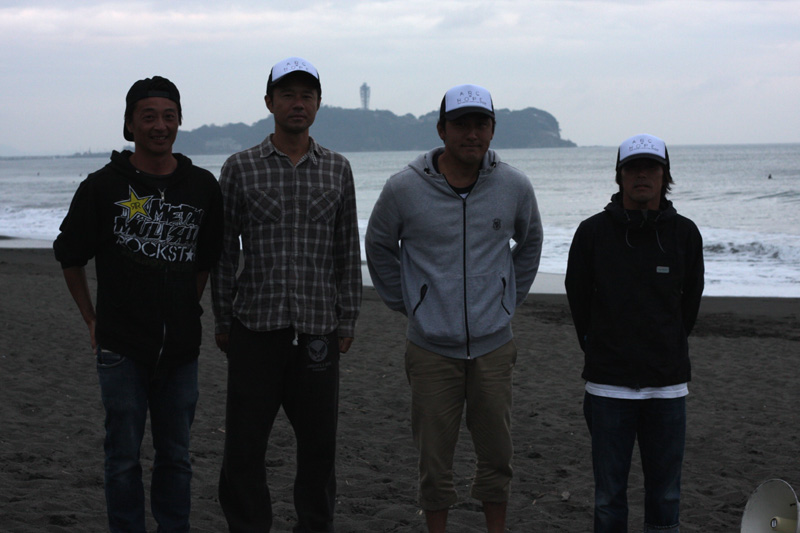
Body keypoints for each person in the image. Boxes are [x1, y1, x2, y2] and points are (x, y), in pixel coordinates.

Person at [365, 84, 543, 533]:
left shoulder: (514, 185)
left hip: (493, 346)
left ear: (493, 129)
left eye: (481, 124)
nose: (472, 133)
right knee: (434, 460)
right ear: (442, 129)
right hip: (430, 348)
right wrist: (408, 303)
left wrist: (507, 299)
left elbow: (530, 242)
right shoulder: (404, 188)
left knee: (497, 455)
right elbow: (379, 245)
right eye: (461, 124)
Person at [53, 75, 224, 532]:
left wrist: (184, 307)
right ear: (130, 124)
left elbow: (205, 259)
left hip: (181, 351)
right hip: (121, 348)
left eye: (169, 116)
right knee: (123, 457)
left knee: (176, 456)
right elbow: (69, 255)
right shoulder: (102, 186)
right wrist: (91, 318)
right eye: (148, 117)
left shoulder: (202, 186)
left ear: (180, 121)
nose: (159, 126)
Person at [211, 57, 362, 532]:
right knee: (244, 446)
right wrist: (222, 320)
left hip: (317, 328)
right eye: (288, 95)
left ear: (318, 104)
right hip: (254, 326)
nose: (298, 103)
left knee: (319, 448)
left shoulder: (337, 168)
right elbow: (223, 251)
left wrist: (347, 319)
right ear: (269, 102)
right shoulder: (240, 168)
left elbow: (346, 249)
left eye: (307, 95)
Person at [565, 134, 704, 532]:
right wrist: (600, 347)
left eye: (651, 168)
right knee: (609, 498)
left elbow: (689, 303)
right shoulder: (592, 233)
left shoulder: (685, 234)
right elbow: (578, 299)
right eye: (632, 168)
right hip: (608, 387)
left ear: (664, 175)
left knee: (666, 496)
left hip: (667, 387)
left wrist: (667, 345)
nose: (642, 175)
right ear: (620, 176)